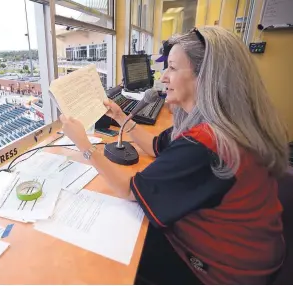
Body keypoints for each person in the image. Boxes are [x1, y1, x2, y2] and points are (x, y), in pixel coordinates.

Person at [59, 26, 289, 284]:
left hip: (226, 270)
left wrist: (85, 146)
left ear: (205, 76)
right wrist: (120, 117)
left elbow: (128, 191)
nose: (163, 77)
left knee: (100, 256)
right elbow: (156, 145)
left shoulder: (206, 143)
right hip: (258, 250)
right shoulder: (219, 121)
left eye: (172, 68)